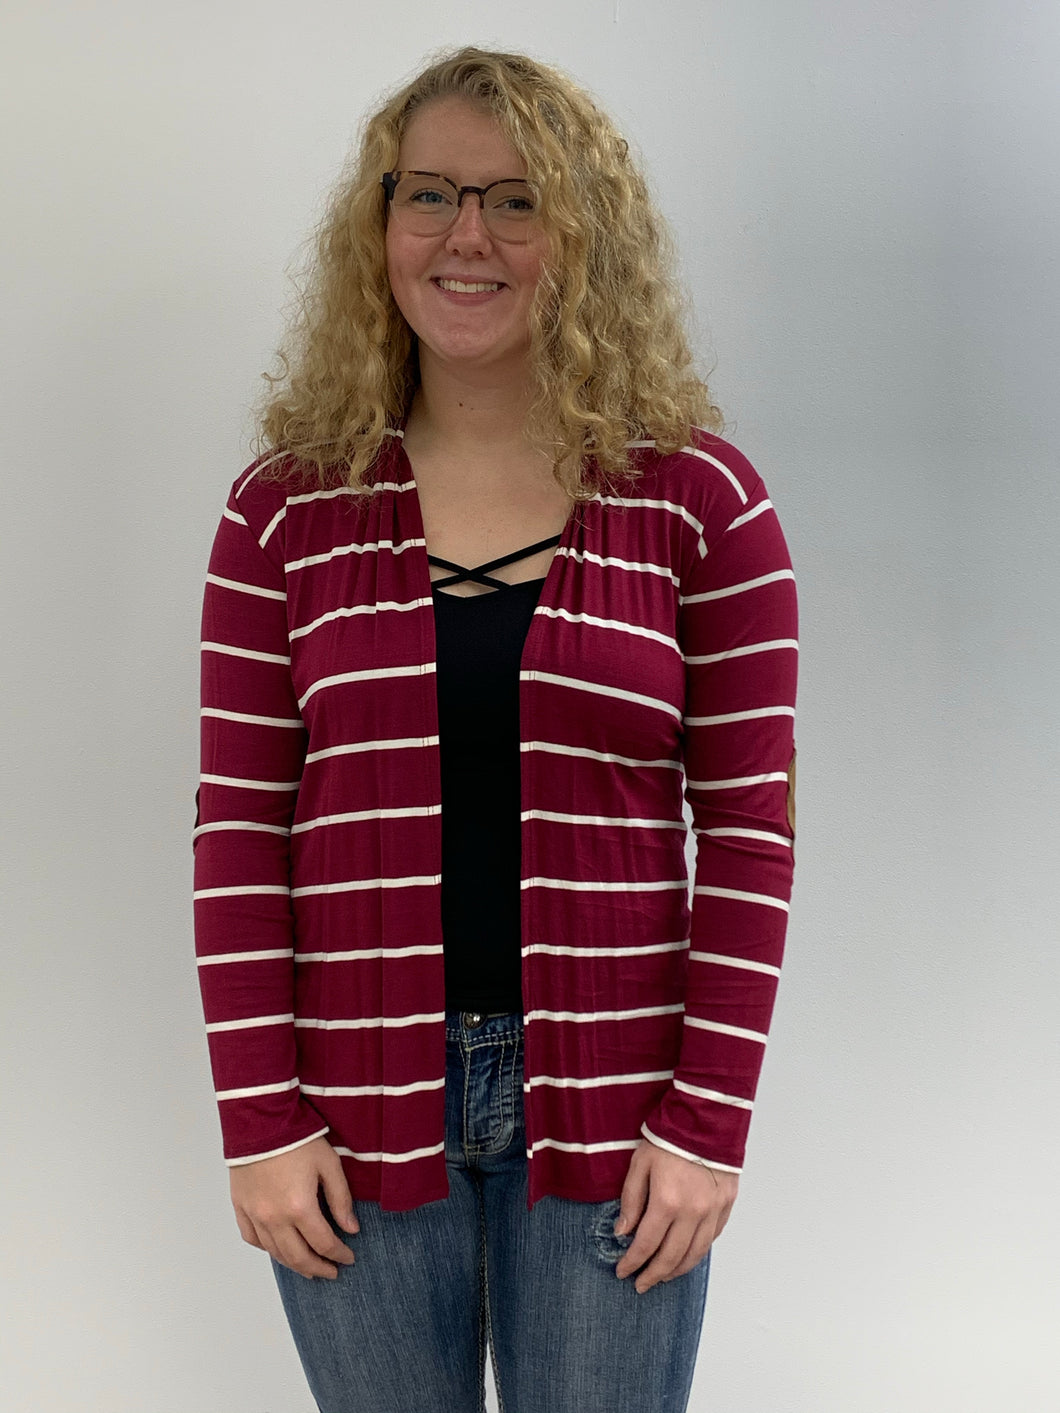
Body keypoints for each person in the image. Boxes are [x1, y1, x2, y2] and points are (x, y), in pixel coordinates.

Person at [193, 44, 798, 1413]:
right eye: (432, 196)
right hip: (348, 1120)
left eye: (518, 201)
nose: (469, 237)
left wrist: (706, 1126)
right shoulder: (281, 512)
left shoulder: (703, 506)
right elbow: (237, 826)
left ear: (582, 235)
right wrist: (260, 1118)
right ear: (381, 226)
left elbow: (753, 828)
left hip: (620, 1123)